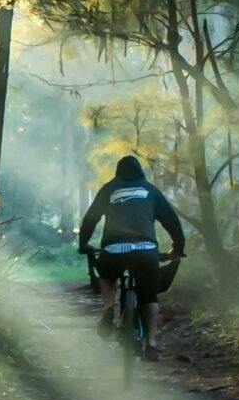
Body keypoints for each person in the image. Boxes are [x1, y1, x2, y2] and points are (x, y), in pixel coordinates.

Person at [77, 153, 185, 357]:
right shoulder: (150, 191)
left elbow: (90, 218)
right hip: (145, 251)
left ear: (118, 173)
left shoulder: (109, 189)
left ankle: (109, 307)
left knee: (107, 275)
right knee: (149, 296)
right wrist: (178, 248)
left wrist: (83, 243)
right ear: (140, 173)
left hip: (113, 250)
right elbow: (171, 220)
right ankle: (151, 344)